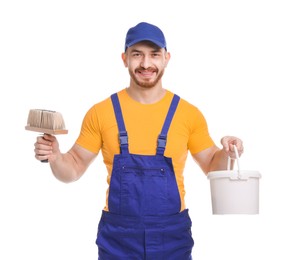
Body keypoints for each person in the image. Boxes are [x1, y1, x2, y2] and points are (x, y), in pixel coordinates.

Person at [34, 22, 244, 260]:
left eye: (154, 55)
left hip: (172, 239)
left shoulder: (188, 114)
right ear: (124, 59)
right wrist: (55, 156)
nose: (146, 64)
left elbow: (211, 165)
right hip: (118, 240)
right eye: (137, 55)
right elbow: (72, 168)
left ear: (166, 58)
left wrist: (228, 153)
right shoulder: (102, 112)